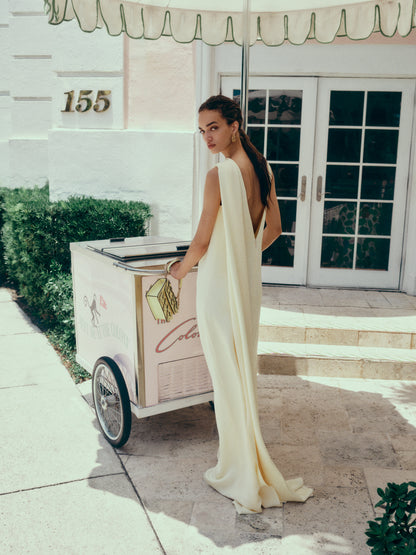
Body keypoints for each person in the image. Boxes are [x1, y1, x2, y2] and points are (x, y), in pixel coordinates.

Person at [169, 95, 313, 514]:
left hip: (218, 285)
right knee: (239, 371)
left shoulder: (221, 175)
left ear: (234, 125)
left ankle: (238, 470)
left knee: (226, 376)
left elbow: (200, 241)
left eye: (213, 127)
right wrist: (246, 254)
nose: (207, 137)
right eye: (201, 130)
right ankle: (245, 462)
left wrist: (181, 270)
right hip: (246, 285)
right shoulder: (262, 168)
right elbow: (274, 228)